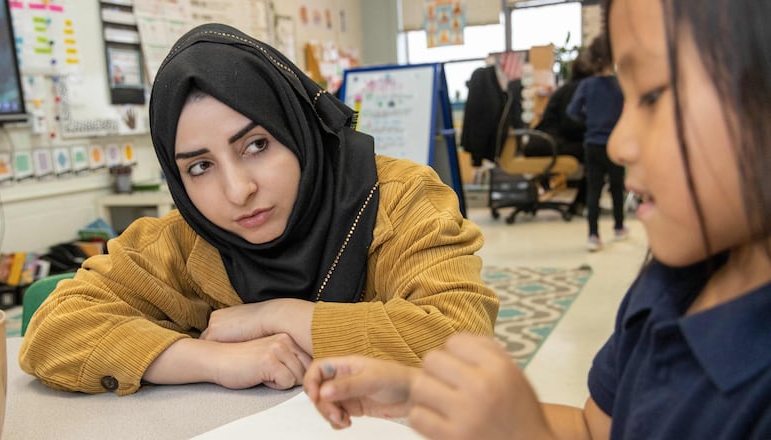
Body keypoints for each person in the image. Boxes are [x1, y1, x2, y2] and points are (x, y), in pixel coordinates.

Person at [305, 0, 771, 438]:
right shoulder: (667, 287)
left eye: (650, 95)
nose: (618, 143)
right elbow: (594, 429)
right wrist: (422, 395)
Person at [18, 23, 499, 396]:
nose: (238, 190)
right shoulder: (186, 238)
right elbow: (53, 333)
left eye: (256, 144)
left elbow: (459, 339)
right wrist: (215, 362)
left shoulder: (399, 198)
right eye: (200, 166)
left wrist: (276, 316)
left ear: (298, 128)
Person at [567, 33, 627, 251]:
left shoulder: (586, 85)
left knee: (594, 190)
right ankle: (619, 226)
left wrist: (590, 122)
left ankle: (593, 235)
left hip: (592, 143)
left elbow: (572, 111)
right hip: (615, 144)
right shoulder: (621, 84)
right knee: (617, 187)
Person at [524, 52, 594, 216]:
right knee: (594, 152)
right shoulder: (578, 89)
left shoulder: (569, 87)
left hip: (544, 141)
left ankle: (581, 202)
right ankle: (580, 203)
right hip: (549, 143)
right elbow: (569, 124)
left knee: (592, 150)